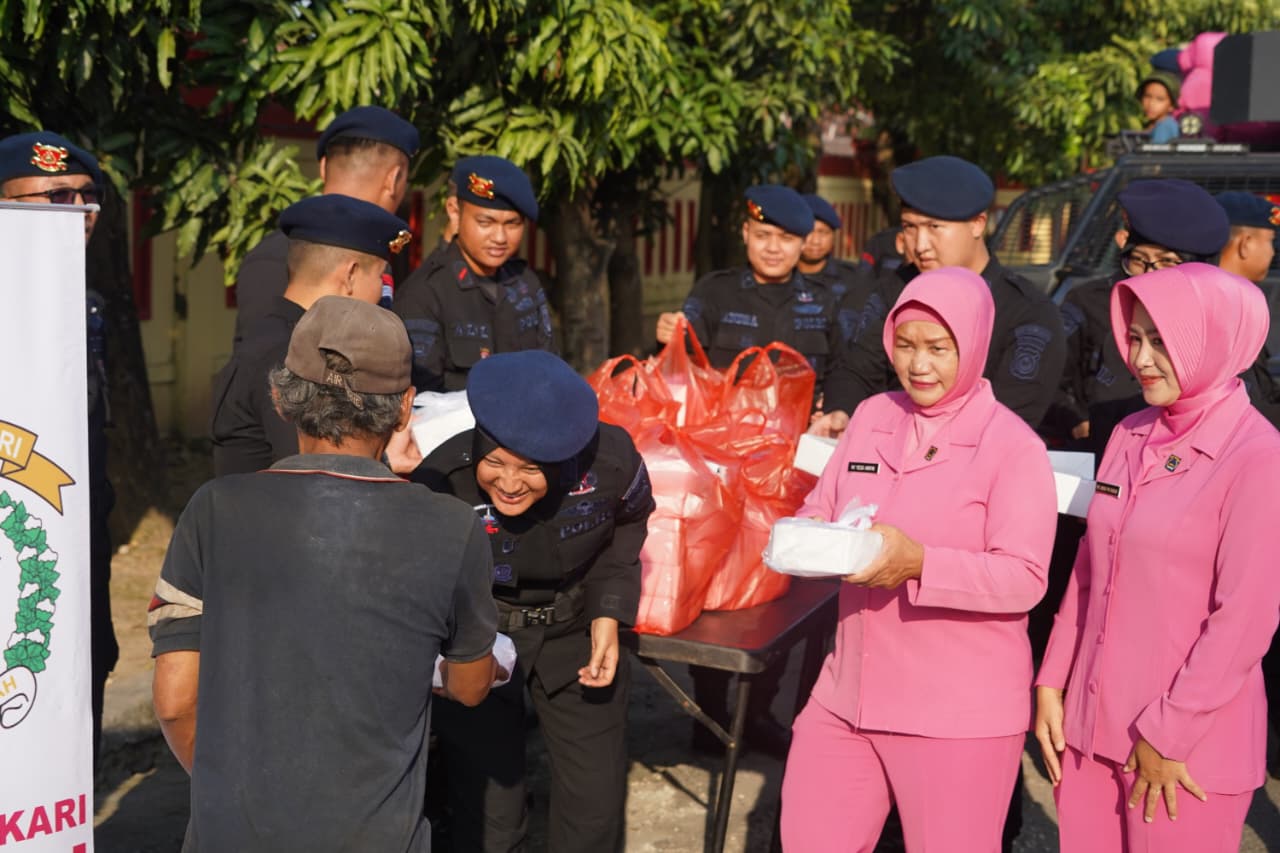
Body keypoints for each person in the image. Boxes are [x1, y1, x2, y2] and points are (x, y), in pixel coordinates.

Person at [149, 296, 500, 852]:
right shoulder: (453, 527)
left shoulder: (213, 509)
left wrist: (227, 794)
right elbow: (471, 686)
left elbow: (174, 700)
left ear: (280, 396)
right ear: (405, 408)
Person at [780, 266, 1057, 852]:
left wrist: (920, 563)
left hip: (955, 716)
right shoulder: (874, 416)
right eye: (904, 345)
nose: (918, 364)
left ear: (974, 344)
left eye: (938, 348)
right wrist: (807, 536)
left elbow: (1025, 576)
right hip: (847, 698)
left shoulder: (1012, 446)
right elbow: (823, 505)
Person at [1034, 263, 1280, 852]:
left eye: (1163, 342)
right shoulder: (1130, 432)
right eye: (1136, 339)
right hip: (1089, 729)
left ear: (1214, 341)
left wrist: (1170, 733)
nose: (1140, 359)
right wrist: (1052, 680)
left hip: (1183, 756)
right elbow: (1089, 570)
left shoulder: (1256, 455)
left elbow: (1245, 619)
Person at [410, 350, 653, 853]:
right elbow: (412, 576)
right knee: (490, 811)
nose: (509, 483)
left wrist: (609, 611)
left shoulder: (612, 462)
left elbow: (630, 523)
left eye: (530, 469)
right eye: (495, 462)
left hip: (576, 632)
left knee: (594, 801)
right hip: (479, 639)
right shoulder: (440, 480)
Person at [654, 183, 844, 756]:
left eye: (786, 239)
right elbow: (682, 359)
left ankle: (759, 710)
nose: (773, 248)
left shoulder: (827, 302)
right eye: (763, 236)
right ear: (745, 234)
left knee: (782, 590)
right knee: (715, 584)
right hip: (724, 472)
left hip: (793, 473)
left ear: (804, 243)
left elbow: (844, 374)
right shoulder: (713, 293)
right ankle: (709, 710)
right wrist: (669, 333)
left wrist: (836, 410)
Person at [0, 130, 117, 765]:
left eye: (86, 197)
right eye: (54, 197)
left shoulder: (88, 309)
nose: (78, 212)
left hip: (72, 559)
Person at [815, 155, 1067, 435]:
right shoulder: (895, 290)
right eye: (910, 227)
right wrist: (842, 413)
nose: (920, 245)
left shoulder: (1027, 312)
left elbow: (1010, 420)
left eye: (934, 227)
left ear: (978, 224)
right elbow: (856, 370)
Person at [211, 193, 412, 476]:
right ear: (350, 275)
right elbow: (313, 476)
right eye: (380, 277)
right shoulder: (291, 356)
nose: (382, 293)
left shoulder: (275, 337)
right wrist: (387, 461)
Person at [1051, 179, 1229, 451]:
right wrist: (1076, 421)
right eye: (1138, 260)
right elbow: (1051, 378)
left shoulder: (1224, 330)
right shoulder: (1096, 311)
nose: (1149, 276)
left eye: (1167, 262)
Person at [230, 105, 419, 346]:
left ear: (322, 167)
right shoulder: (282, 258)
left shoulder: (274, 254)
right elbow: (269, 359)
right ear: (394, 178)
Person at [393, 155, 555, 393]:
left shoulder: (526, 285)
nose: (500, 238)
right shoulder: (425, 294)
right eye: (485, 222)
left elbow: (550, 371)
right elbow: (422, 399)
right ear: (454, 212)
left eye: (512, 224)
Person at [799, 192, 887, 360]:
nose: (815, 241)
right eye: (808, 232)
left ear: (833, 236)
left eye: (823, 233)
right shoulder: (781, 278)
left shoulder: (854, 279)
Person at [1138, 71, 1181, 144]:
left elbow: (1155, 150)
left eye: (1160, 99)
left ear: (1171, 106)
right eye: (1147, 96)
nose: (1151, 104)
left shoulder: (1164, 126)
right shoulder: (1153, 124)